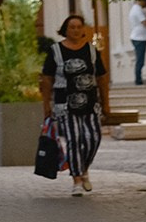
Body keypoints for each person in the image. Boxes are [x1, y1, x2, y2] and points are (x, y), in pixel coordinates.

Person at [40, 14, 109, 195]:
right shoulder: (55, 51)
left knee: (93, 138)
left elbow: (101, 77)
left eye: (79, 27)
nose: (76, 30)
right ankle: (77, 180)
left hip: (90, 103)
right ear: (65, 29)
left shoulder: (92, 51)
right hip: (65, 104)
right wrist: (46, 104)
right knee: (74, 140)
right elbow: (47, 79)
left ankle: (83, 167)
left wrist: (106, 103)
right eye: (72, 27)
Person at [129, 0, 146, 85]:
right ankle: (138, 79)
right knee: (140, 60)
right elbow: (144, 22)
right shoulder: (137, 10)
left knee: (140, 59)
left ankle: (138, 78)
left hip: (138, 36)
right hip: (139, 37)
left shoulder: (135, 9)